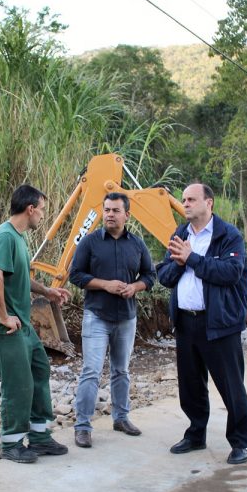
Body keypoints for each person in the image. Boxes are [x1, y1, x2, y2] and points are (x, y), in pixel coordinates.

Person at [156, 183, 247, 465]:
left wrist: (192, 258)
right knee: (190, 385)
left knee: (231, 386)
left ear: (208, 203)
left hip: (219, 325)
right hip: (186, 323)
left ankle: (240, 442)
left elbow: (231, 272)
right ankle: (196, 434)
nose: (185, 204)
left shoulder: (228, 235)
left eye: (191, 199)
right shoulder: (180, 233)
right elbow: (164, 274)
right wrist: (181, 262)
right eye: (184, 199)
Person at [0, 184, 72, 464]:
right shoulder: (5, 237)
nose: (43, 215)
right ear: (30, 209)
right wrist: (2, 315)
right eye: (42, 210)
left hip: (24, 327)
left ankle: (40, 437)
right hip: (6, 330)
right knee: (18, 385)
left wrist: (47, 291)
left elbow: (17, 276)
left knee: (39, 372)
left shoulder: (19, 238)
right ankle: (11, 443)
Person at [69, 192, 156, 448]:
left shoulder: (138, 245)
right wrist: (104, 285)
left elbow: (150, 275)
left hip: (126, 317)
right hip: (96, 316)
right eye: (106, 209)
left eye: (115, 210)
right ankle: (83, 426)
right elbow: (75, 275)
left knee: (121, 371)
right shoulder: (90, 242)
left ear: (127, 215)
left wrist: (135, 287)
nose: (109, 214)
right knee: (91, 372)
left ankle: (121, 418)